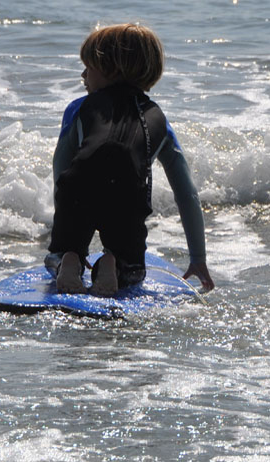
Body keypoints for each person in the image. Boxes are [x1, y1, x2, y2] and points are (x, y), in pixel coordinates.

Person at [45, 23, 214, 296]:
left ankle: (69, 259)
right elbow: (186, 192)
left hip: (76, 188)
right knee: (133, 270)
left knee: (61, 250)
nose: (83, 74)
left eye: (89, 67)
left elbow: (60, 167)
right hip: (127, 199)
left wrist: (67, 232)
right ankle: (115, 263)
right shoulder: (158, 120)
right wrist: (198, 259)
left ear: (111, 70)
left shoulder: (79, 109)